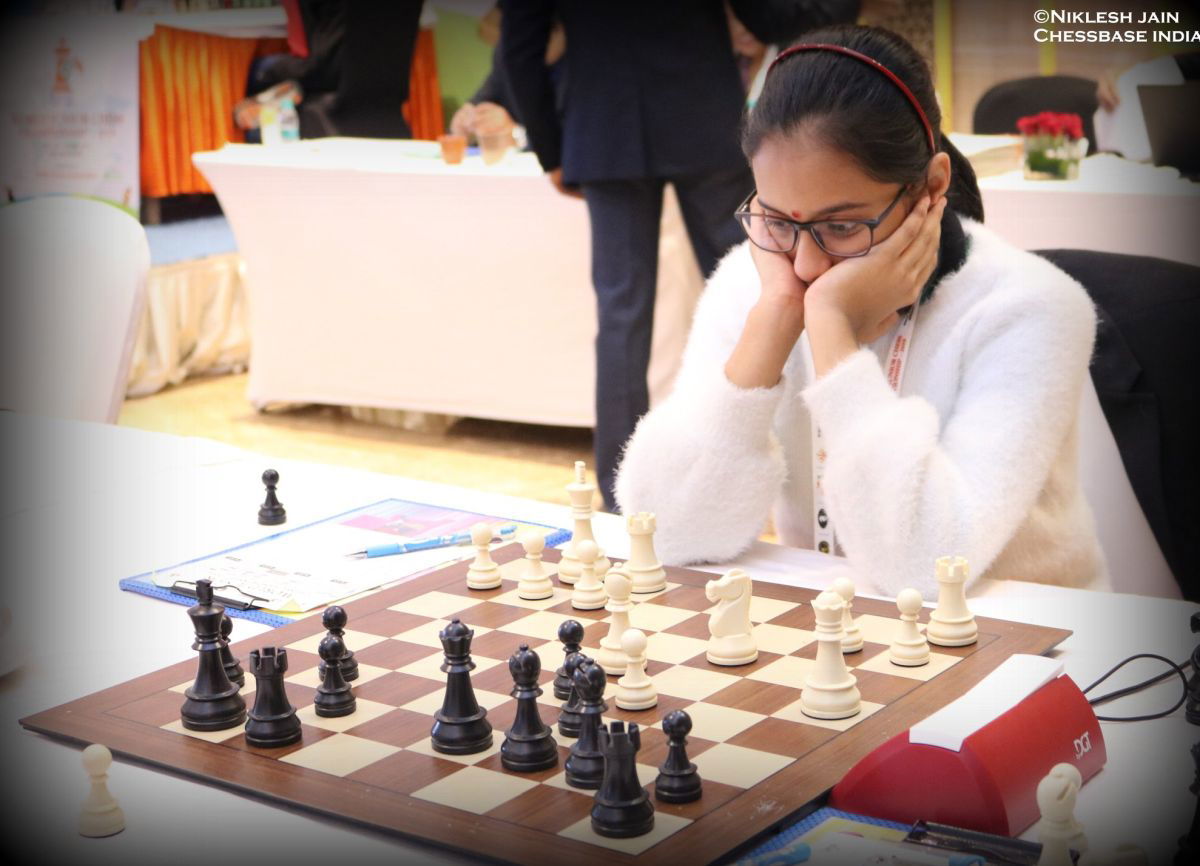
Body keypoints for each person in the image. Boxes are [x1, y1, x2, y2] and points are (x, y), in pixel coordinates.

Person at [614, 25, 1108, 597]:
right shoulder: (756, 284)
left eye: (843, 226)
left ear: (932, 186)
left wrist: (833, 333)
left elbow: (926, 570)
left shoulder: (1030, 308)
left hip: (1027, 630)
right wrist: (773, 321)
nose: (804, 265)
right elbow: (668, 534)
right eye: (777, 220)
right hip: (836, 626)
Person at [500, 0, 864, 512]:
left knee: (623, 316)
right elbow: (766, 18)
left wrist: (551, 147)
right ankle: (794, 473)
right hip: (701, 116)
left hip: (604, 124)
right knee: (761, 290)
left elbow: (520, 45)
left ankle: (621, 494)